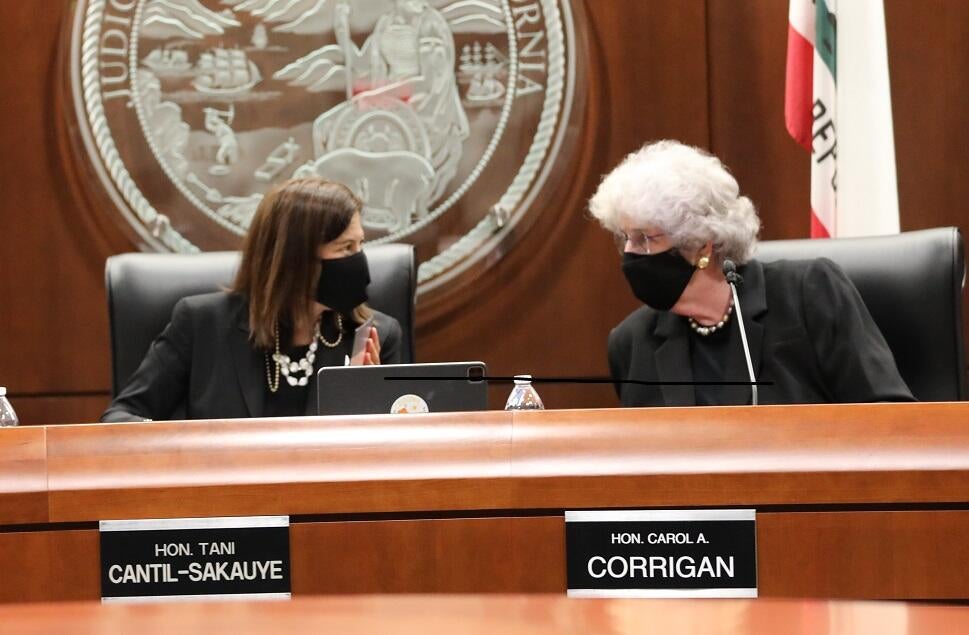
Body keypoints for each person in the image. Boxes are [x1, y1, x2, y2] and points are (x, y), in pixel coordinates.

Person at [588, 140, 914, 407]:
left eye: (646, 238)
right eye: (625, 237)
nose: (630, 252)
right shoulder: (632, 342)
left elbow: (889, 419)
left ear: (702, 245)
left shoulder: (808, 294)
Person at [101, 177, 402, 422]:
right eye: (345, 248)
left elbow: (400, 451)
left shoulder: (375, 336)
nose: (359, 260)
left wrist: (369, 396)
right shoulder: (202, 324)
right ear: (293, 258)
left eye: (360, 245)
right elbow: (121, 418)